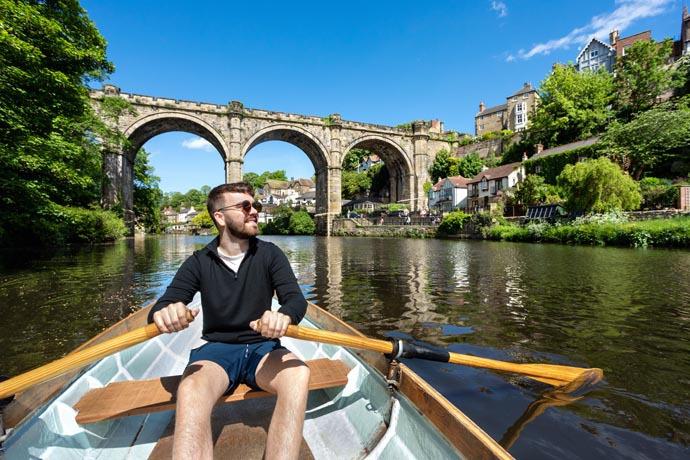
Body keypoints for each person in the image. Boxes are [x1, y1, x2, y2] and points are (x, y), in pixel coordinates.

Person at [148, 182, 309, 460]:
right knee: (191, 388)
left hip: (262, 349)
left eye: (255, 205)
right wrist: (165, 313)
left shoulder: (270, 254)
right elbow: (165, 303)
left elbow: (296, 299)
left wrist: (283, 315)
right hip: (216, 350)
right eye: (245, 206)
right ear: (219, 217)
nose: (254, 211)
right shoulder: (199, 262)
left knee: (298, 374)